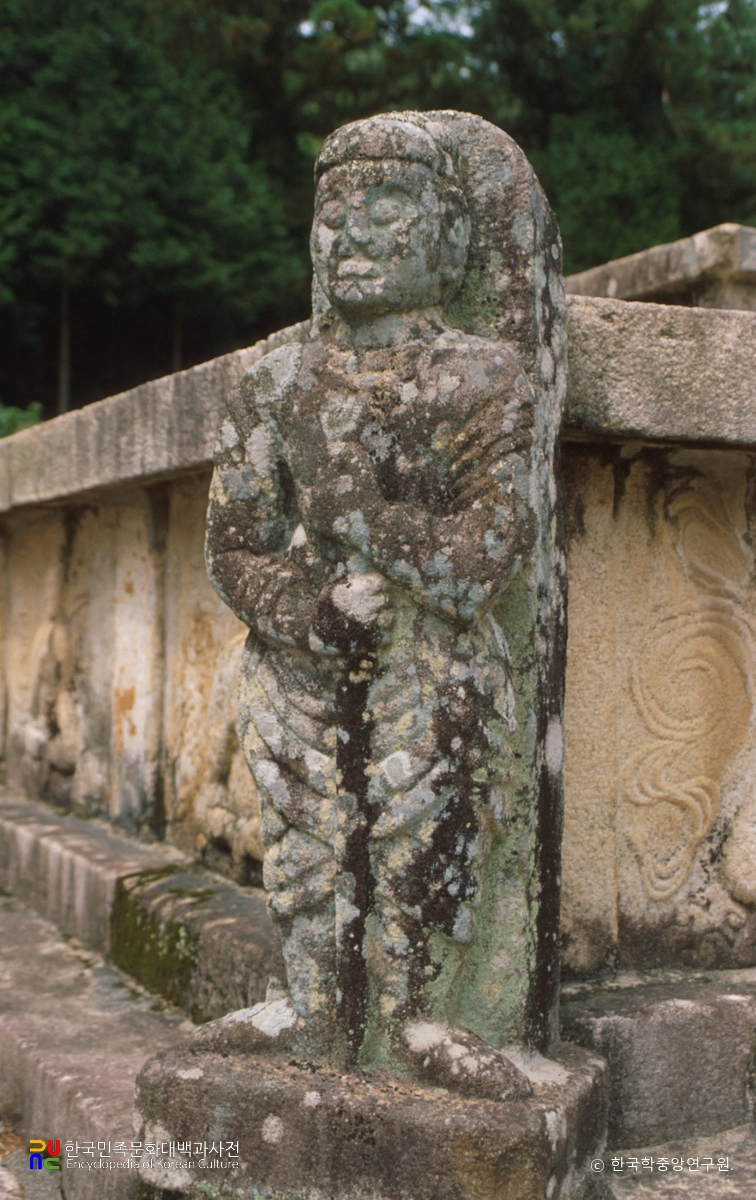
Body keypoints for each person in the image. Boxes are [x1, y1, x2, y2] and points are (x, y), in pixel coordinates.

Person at [206, 114, 557, 1087]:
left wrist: (367, 523)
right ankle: (314, 1005)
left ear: (445, 237)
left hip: (432, 661)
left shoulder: (483, 378)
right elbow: (232, 545)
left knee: (425, 820)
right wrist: (309, 612)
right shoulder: (273, 378)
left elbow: (482, 558)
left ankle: (417, 1015)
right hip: (301, 660)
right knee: (301, 839)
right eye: (331, 215)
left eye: (384, 208)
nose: (350, 235)